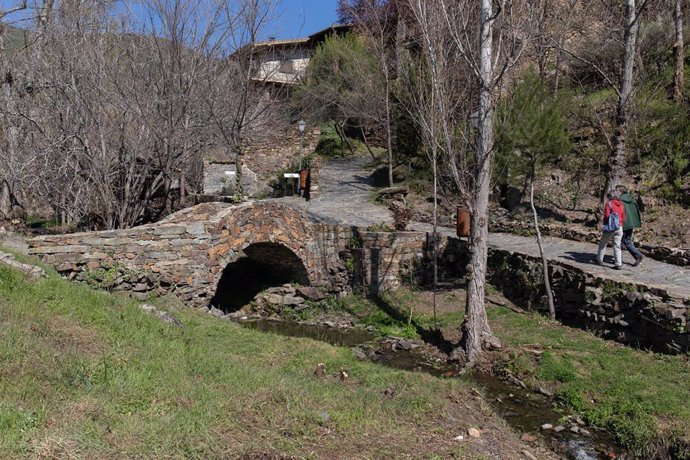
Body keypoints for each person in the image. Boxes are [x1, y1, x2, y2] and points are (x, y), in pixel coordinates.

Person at [615, 185, 645, 266]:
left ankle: (618, 261)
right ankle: (638, 256)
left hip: (624, 224)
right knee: (627, 241)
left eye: (616, 190)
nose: (615, 192)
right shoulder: (631, 199)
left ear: (620, 191)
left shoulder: (619, 201)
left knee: (619, 242)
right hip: (631, 223)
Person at [596, 190, 626, 270]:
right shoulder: (622, 205)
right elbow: (623, 217)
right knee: (617, 246)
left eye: (608, 196)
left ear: (610, 196)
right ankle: (618, 264)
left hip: (610, 227)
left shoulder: (609, 204)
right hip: (619, 227)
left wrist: (604, 225)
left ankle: (599, 259)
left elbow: (606, 215)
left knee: (603, 242)